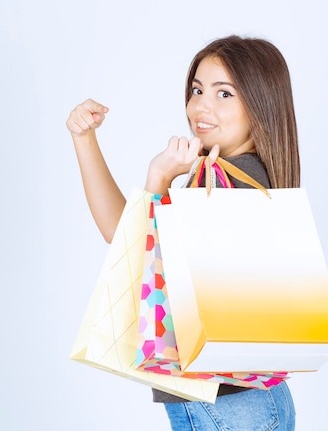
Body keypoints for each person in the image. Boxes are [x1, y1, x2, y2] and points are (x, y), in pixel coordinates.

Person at [66, 35, 299, 430]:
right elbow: (123, 234)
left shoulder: (228, 185)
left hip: (224, 404)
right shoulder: (235, 177)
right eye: (197, 90)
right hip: (244, 399)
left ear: (260, 104)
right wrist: (85, 139)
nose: (200, 106)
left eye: (224, 93)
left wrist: (158, 176)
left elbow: (136, 253)